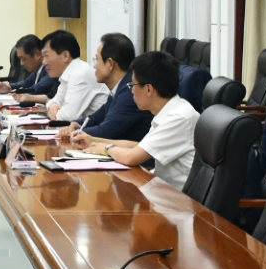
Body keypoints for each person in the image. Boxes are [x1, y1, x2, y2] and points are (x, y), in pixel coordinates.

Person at [71, 51, 200, 190]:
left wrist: (105, 149)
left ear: (149, 89)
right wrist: (94, 140)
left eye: (133, 85)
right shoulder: (167, 111)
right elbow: (140, 147)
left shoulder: (179, 117)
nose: (131, 91)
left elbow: (131, 157)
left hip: (177, 199)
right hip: (161, 190)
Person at [59, 33, 153, 142]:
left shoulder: (130, 91)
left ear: (110, 64)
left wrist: (74, 131)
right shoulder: (119, 88)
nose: (94, 65)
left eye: (96, 59)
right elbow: (96, 118)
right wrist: (76, 124)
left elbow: (105, 132)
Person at [42, 30, 109, 121]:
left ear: (65, 56)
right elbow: (54, 101)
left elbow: (67, 117)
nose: (44, 62)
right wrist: (53, 105)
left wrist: (54, 111)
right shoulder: (69, 73)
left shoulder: (79, 74)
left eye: (46, 56)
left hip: (98, 128)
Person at [0, 34, 59, 104]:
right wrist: (9, 87)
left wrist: (19, 92)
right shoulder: (37, 70)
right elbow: (26, 82)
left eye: (23, 59)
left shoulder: (50, 69)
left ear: (37, 54)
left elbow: (37, 89)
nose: (21, 63)